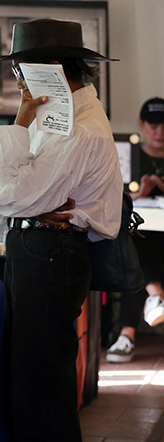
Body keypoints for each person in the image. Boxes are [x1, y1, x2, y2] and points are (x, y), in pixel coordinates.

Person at [0, 19, 122, 441]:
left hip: (51, 252)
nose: (18, 80)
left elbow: (6, 194)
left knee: (40, 387)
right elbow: (14, 197)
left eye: (22, 70)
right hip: (41, 247)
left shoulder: (76, 126)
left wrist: (28, 202)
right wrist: (30, 201)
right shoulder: (58, 114)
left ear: (53, 68)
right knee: (32, 380)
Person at [106, 97, 164, 363]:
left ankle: (127, 334)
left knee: (136, 253)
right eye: (152, 125)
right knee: (134, 242)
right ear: (141, 125)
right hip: (141, 232)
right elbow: (113, 198)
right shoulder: (128, 157)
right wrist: (140, 194)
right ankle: (155, 296)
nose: (159, 132)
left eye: (163, 125)